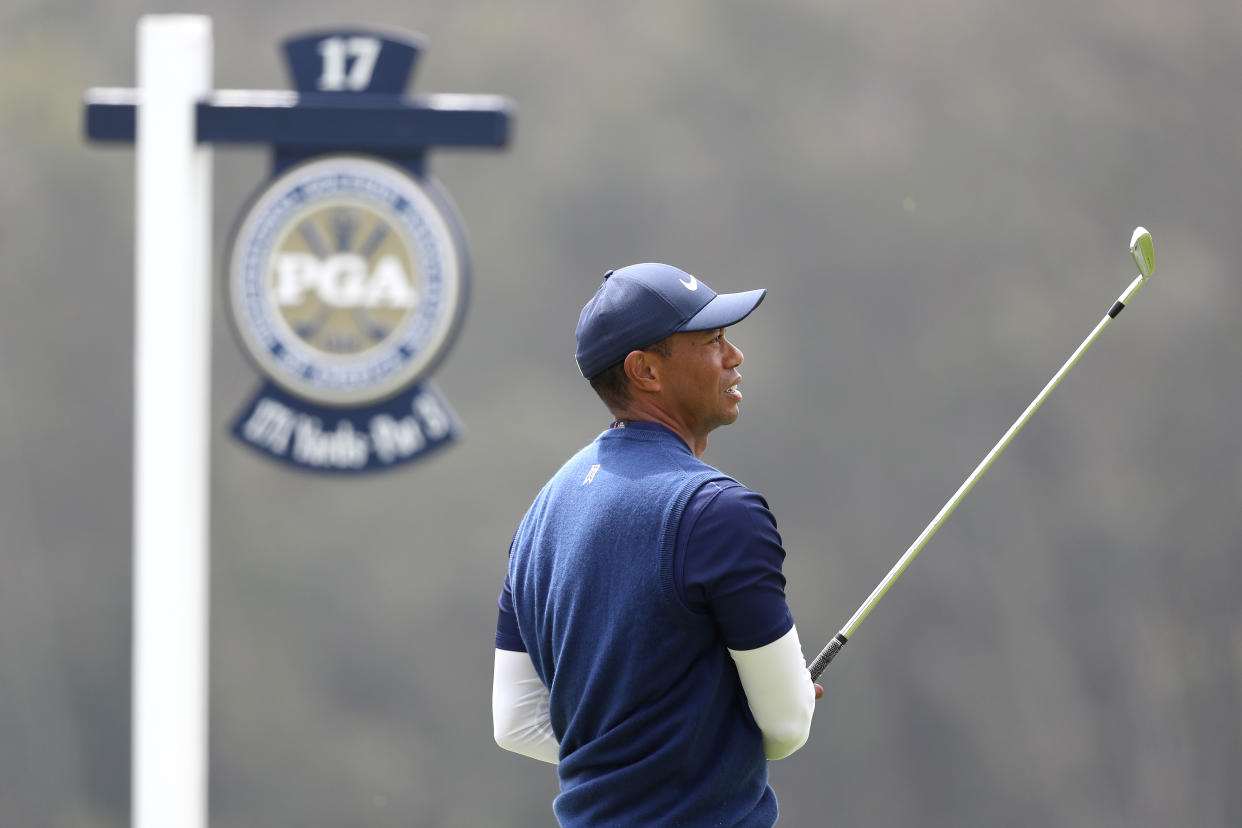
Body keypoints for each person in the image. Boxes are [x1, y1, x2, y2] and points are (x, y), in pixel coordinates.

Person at [492, 262, 822, 827]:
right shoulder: (720, 512)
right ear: (644, 370)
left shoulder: (539, 515)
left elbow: (516, 721)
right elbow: (786, 726)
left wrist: (636, 758)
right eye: (712, 340)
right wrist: (707, 740)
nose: (734, 355)